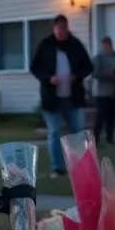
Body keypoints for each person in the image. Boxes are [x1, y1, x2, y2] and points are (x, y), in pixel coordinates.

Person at [30, 14, 93, 176]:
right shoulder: (45, 45)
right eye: (59, 28)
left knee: (77, 131)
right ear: (54, 29)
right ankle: (57, 167)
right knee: (54, 132)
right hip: (52, 97)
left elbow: (88, 66)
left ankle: (80, 166)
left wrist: (76, 76)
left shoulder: (75, 45)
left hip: (73, 97)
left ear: (67, 28)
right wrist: (49, 78)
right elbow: (35, 67)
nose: (62, 32)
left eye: (64, 28)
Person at [91, 36, 115, 146]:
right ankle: (96, 139)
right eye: (104, 44)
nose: (106, 46)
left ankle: (110, 138)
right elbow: (94, 74)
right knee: (100, 116)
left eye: (108, 44)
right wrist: (107, 74)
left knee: (112, 116)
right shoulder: (98, 58)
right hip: (101, 92)